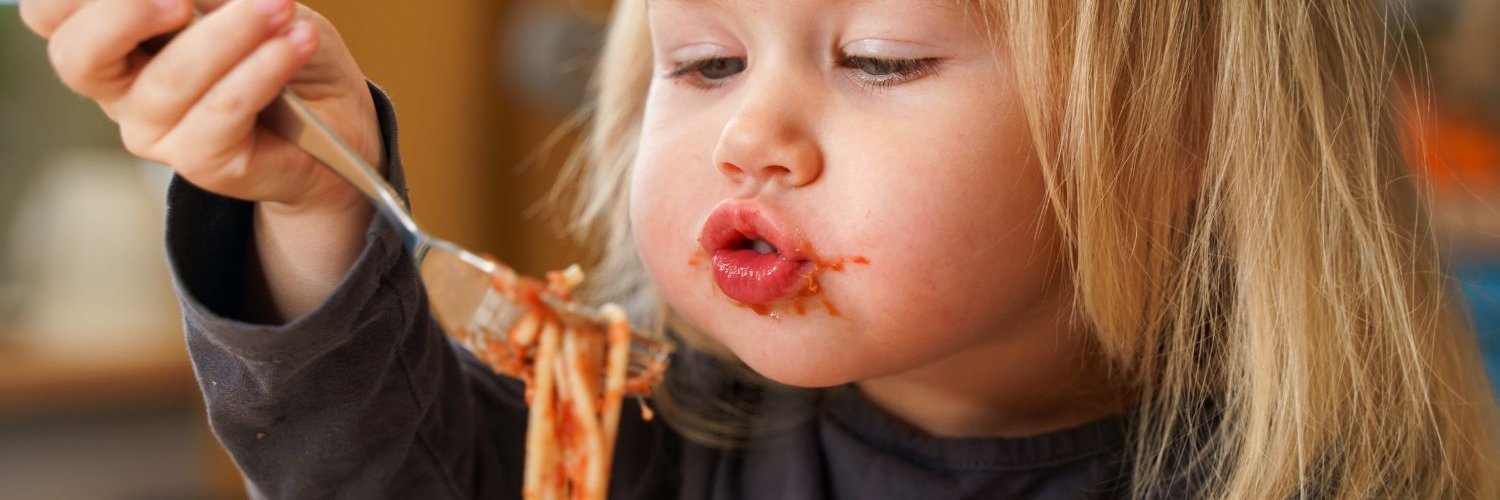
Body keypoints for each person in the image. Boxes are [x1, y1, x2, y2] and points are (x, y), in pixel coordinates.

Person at [19, 0, 1500, 497]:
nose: (750, 134)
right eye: (707, 62)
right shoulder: (638, 448)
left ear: (1186, 138)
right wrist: (308, 198)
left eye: (881, 58)